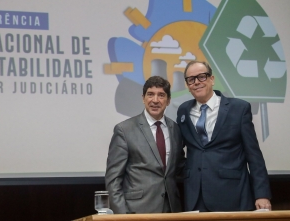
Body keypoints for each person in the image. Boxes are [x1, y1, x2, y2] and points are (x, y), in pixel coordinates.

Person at [176, 60, 272, 212]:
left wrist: (262, 195)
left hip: (232, 193)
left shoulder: (239, 108)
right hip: (195, 195)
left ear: (212, 79)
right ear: (187, 85)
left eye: (202, 77)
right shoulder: (183, 111)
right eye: (191, 79)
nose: (196, 82)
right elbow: (178, 149)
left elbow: (254, 156)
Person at [105, 76, 185, 214]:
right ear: (143, 98)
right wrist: (122, 216)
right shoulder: (124, 130)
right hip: (137, 212)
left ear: (168, 100)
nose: (155, 100)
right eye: (150, 94)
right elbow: (113, 180)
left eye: (161, 95)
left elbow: (178, 167)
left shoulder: (176, 129)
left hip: (171, 211)